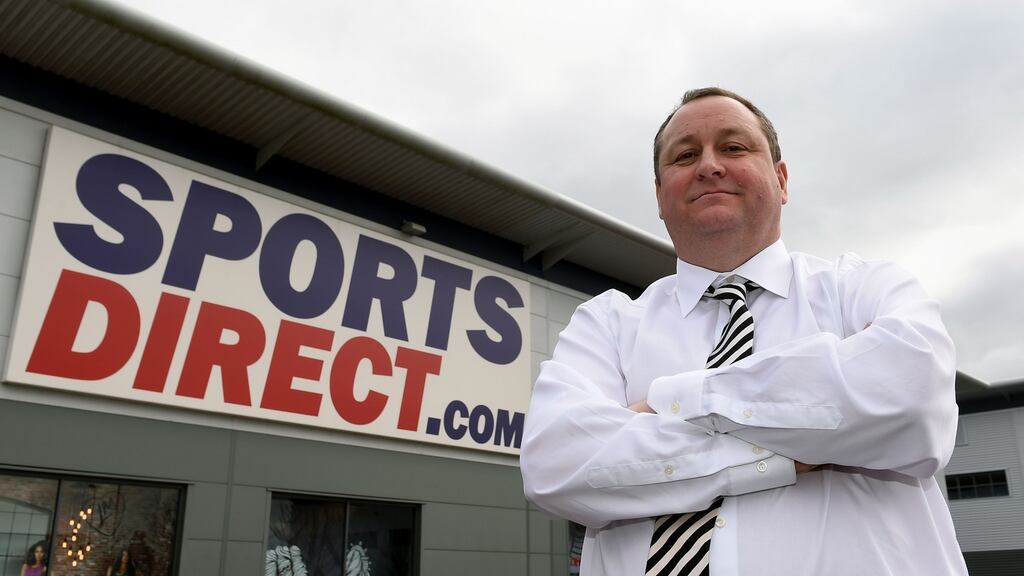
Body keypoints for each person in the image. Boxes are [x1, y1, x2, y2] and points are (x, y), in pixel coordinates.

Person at [520, 87, 966, 576]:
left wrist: (675, 401)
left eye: (733, 147)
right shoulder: (606, 323)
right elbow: (554, 465)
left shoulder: (862, 287)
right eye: (685, 156)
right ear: (659, 197)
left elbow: (913, 401)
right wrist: (785, 452)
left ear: (781, 179)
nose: (709, 166)